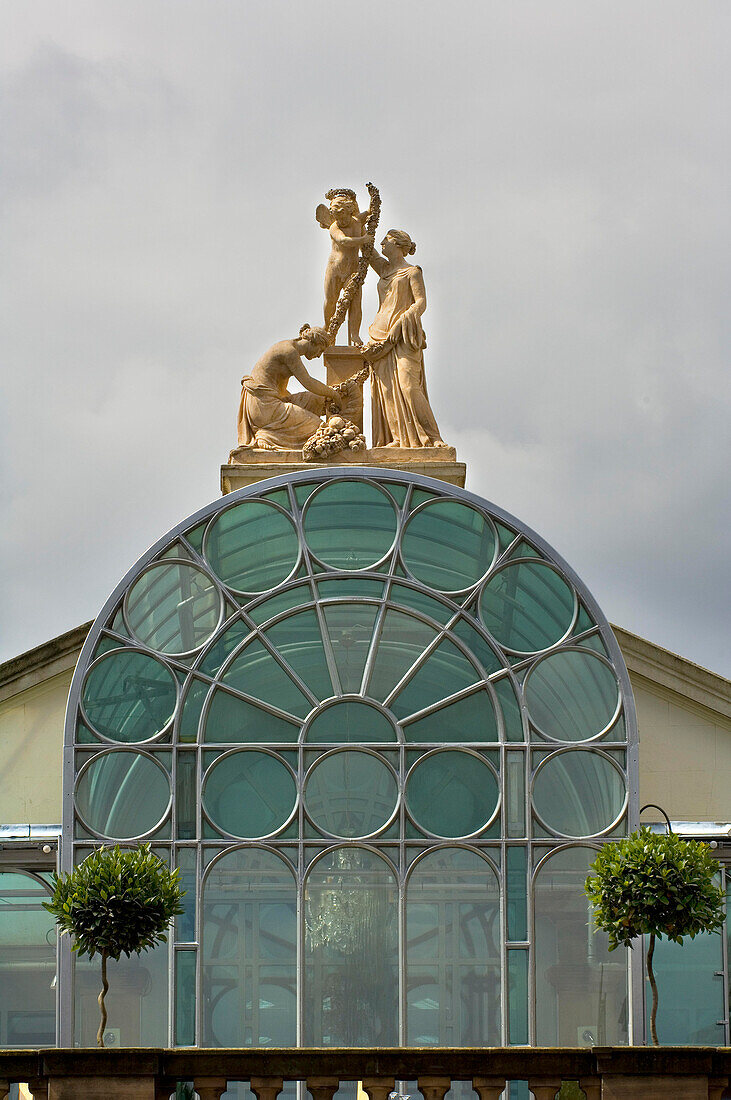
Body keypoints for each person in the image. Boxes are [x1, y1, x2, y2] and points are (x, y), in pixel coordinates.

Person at [364, 230, 447, 448]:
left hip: (404, 336)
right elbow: (366, 247)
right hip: (379, 336)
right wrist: (359, 219)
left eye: (387, 240)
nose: (382, 243)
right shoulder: (383, 269)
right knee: (387, 390)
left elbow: (420, 303)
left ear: (400, 245)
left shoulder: (412, 272)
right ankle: (398, 438)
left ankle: (433, 437)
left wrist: (401, 323)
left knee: (409, 386)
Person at [237, 325, 348, 450]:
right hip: (265, 408)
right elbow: (308, 382)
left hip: (269, 403)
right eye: (320, 350)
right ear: (313, 342)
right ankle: (266, 435)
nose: (318, 355)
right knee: (319, 429)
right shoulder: (288, 351)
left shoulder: (290, 348)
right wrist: (334, 394)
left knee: (317, 398)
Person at [316, 189, 374, 346]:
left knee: (355, 303)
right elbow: (344, 241)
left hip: (353, 270)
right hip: (334, 269)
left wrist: (373, 198)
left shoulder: (357, 222)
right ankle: (329, 330)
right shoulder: (334, 227)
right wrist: (364, 239)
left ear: (349, 211)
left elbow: (369, 212)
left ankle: (354, 334)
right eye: (336, 217)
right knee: (331, 301)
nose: (339, 220)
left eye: (342, 216)